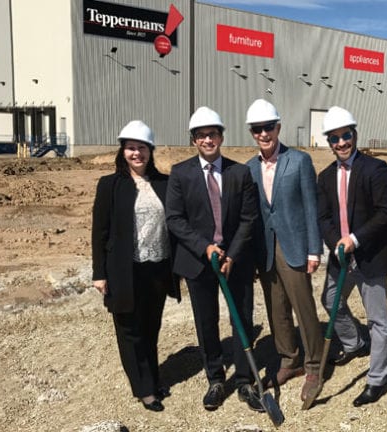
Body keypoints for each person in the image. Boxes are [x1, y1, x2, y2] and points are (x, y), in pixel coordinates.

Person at [165, 107, 262, 412]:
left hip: (236, 261)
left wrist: (232, 254)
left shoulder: (239, 172)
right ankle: (216, 379)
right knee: (206, 322)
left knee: (241, 319)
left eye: (213, 134)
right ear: (194, 140)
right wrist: (205, 247)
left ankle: (245, 380)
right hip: (199, 261)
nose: (208, 140)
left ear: (221, 136)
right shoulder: (180, 174)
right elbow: (175, 219)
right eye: (201, 135)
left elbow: (249, 218)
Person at [91, 120, 181, 412]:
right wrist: (99, 273)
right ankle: (144, 390)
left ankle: (153, 379)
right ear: (123, 151)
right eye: (131, 148)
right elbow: (99, 231)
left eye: (141, 148)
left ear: (150, 151)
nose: (136, 154)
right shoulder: (110, 185)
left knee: (150, 328)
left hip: (156, 269)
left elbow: (178, 225)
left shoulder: (164, 184)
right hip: (124, 271)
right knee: (129, 331)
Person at [244, 99, 325, 405]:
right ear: (252, 133)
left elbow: (310, 207)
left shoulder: (299, 161)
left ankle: (315, 364)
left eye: (268, 127)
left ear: (278, 127)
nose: (264, 133)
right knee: (276, 309)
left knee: (303, 306)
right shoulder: (249, 169)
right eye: (257, 129)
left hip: (295, 246)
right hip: (265, 249)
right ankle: (289, 359)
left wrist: (314, 250)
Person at [317, 106, 387, 407]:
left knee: (378, 320)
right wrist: (334, 240)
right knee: (329, 300)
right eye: (334, 138)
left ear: (355, 134)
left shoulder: (375, 170)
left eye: (345, 135)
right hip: (341, 257)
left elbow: (386, 213)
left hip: (370, 256)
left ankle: (377, 378)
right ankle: (354, 342)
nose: (341, 143)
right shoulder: (324, 177)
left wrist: (355, 238)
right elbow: (322, 217)